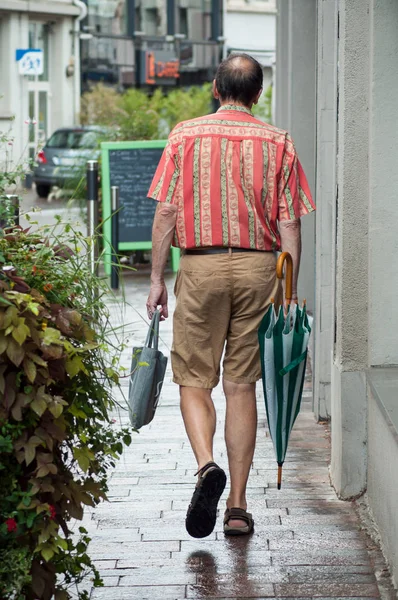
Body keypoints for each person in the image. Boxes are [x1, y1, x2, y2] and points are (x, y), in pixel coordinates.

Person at [146, 53, 315, 538]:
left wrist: (157, 279)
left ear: (216, 89)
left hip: (201, 267)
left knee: (195, 379)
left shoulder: (184, 135)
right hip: (262, 269)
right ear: (258, 94)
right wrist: (288, 292)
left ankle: (206, 467)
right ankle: (237, 508)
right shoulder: (278, 141)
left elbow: (166, 213)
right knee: (242, 386)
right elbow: (290, 223)